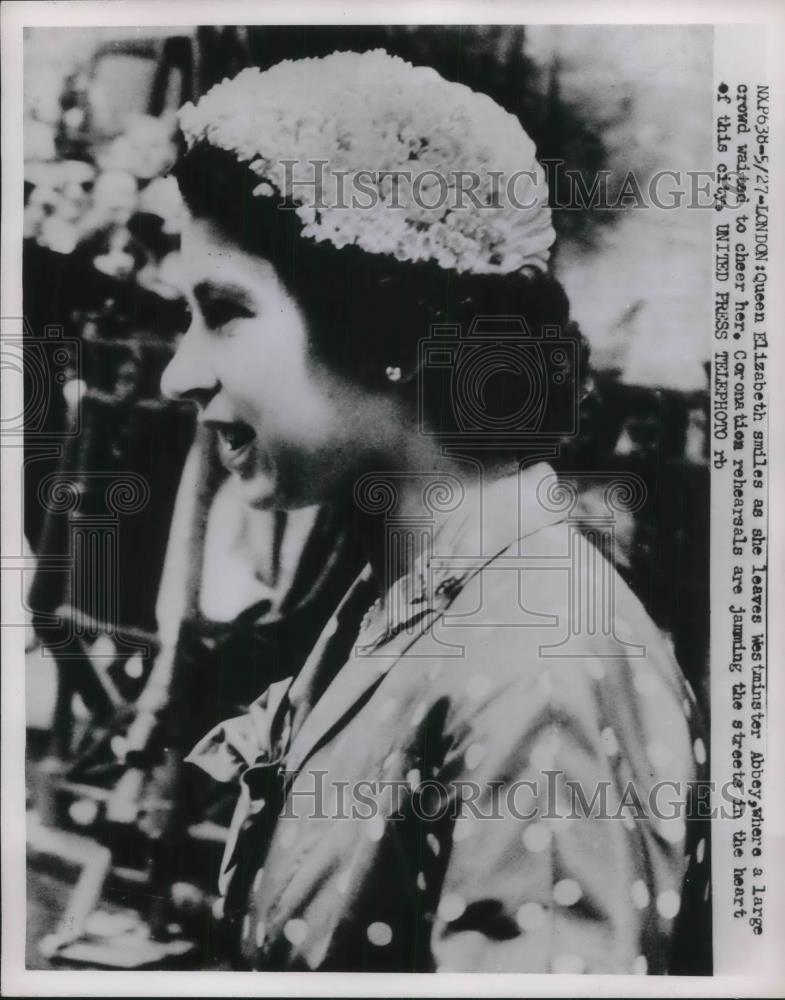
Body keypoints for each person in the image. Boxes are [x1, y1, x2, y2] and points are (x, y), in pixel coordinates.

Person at [160, 50, 709, 973]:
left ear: (383, 326)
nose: (181, 372)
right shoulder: (405, 596)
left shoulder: (539, 664)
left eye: (224, 312)